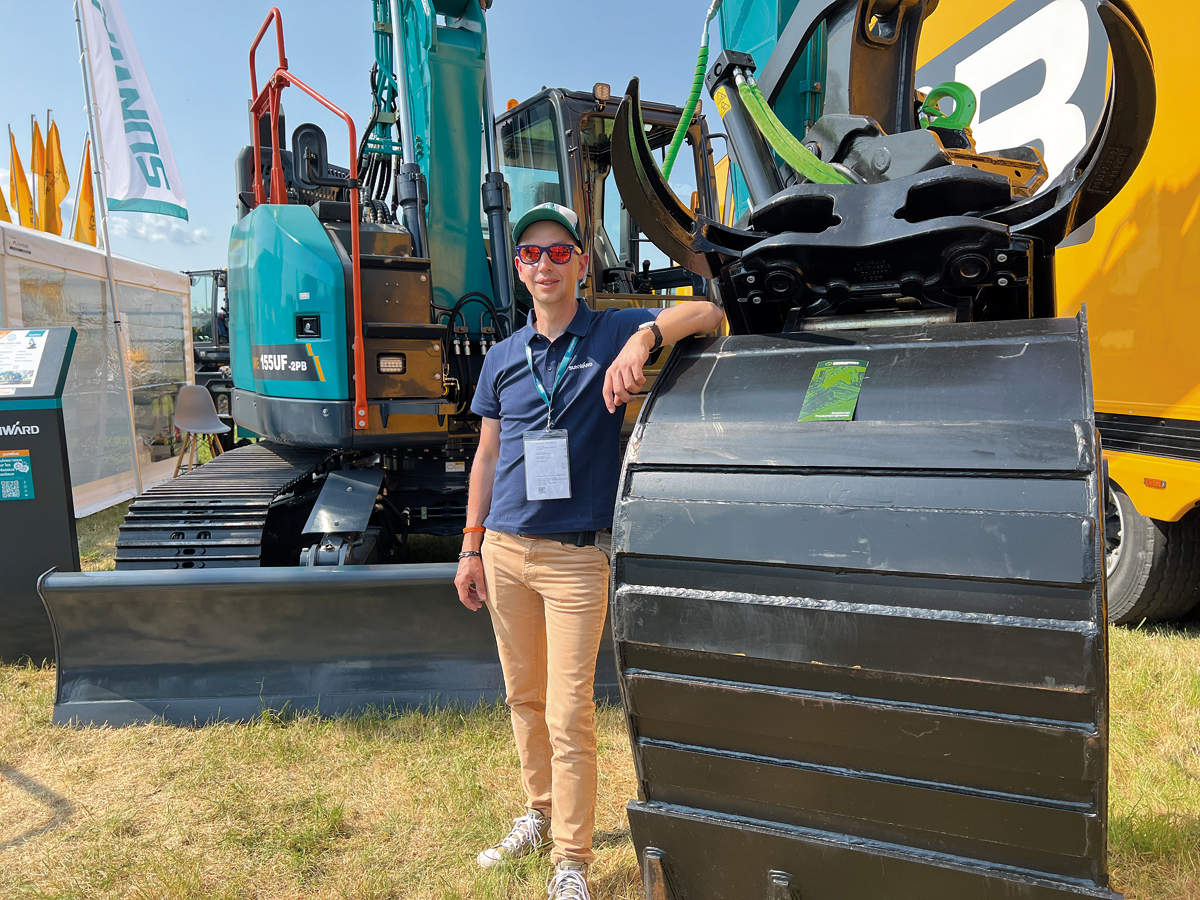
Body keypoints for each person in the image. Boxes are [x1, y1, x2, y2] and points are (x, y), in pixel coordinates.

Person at [454, 202, 723, 900]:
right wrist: (471, 547)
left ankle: (570, 860)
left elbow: (709, 313)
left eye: (558, 252)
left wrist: (644, 341)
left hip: (576, 559)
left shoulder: (612, 330)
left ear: (581, 263)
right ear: (518, 268)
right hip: (505, 551)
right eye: (530, 254)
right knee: (524, 697)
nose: (544, 264)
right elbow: (487, 458)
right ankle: (538, 812)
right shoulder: (502, 359)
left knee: (569, 711)